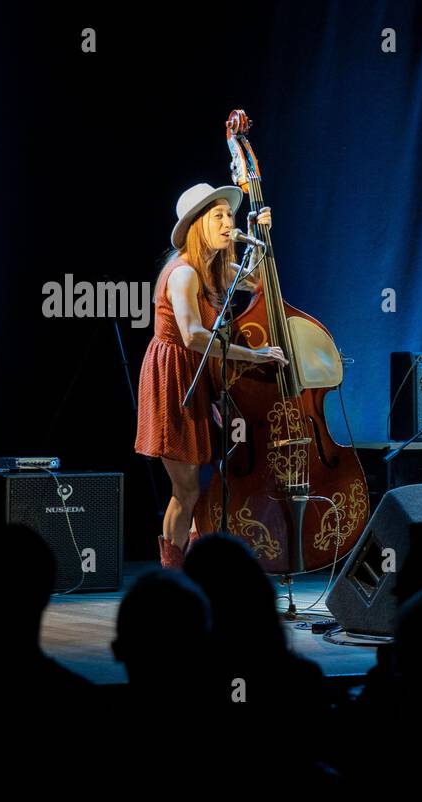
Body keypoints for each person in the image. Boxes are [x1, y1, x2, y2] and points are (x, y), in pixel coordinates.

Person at [134, 183, 288, 567]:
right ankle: (173, 576)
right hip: (174, 377)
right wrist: (250, 355)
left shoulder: (217, 267)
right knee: (185, 489)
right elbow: (193, 336)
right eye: (217, 216)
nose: (226, 223)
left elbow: (258, 282)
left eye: (229, 216)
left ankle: (195, 571)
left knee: (203, 488)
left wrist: (262, 233)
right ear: (197, 225)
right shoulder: (184, 273)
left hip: (200, 376)